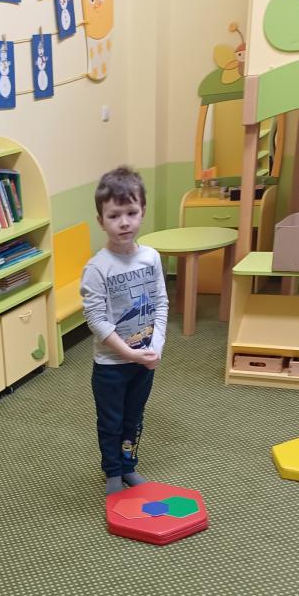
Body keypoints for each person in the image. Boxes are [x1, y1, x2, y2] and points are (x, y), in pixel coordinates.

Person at [80, 166, 169, 496]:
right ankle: (113, 471)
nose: (124, 222)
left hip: (144, 362)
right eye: (114, 215)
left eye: (131, 212)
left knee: (134, 419)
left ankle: (129, 465)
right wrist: (129, 352)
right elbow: (96, 320)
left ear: (142, 211)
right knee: (111, 422)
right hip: (111, 366)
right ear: (101, 220)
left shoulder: (151, 258)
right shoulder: (97, 268)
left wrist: (155, 347)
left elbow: (160, 303)